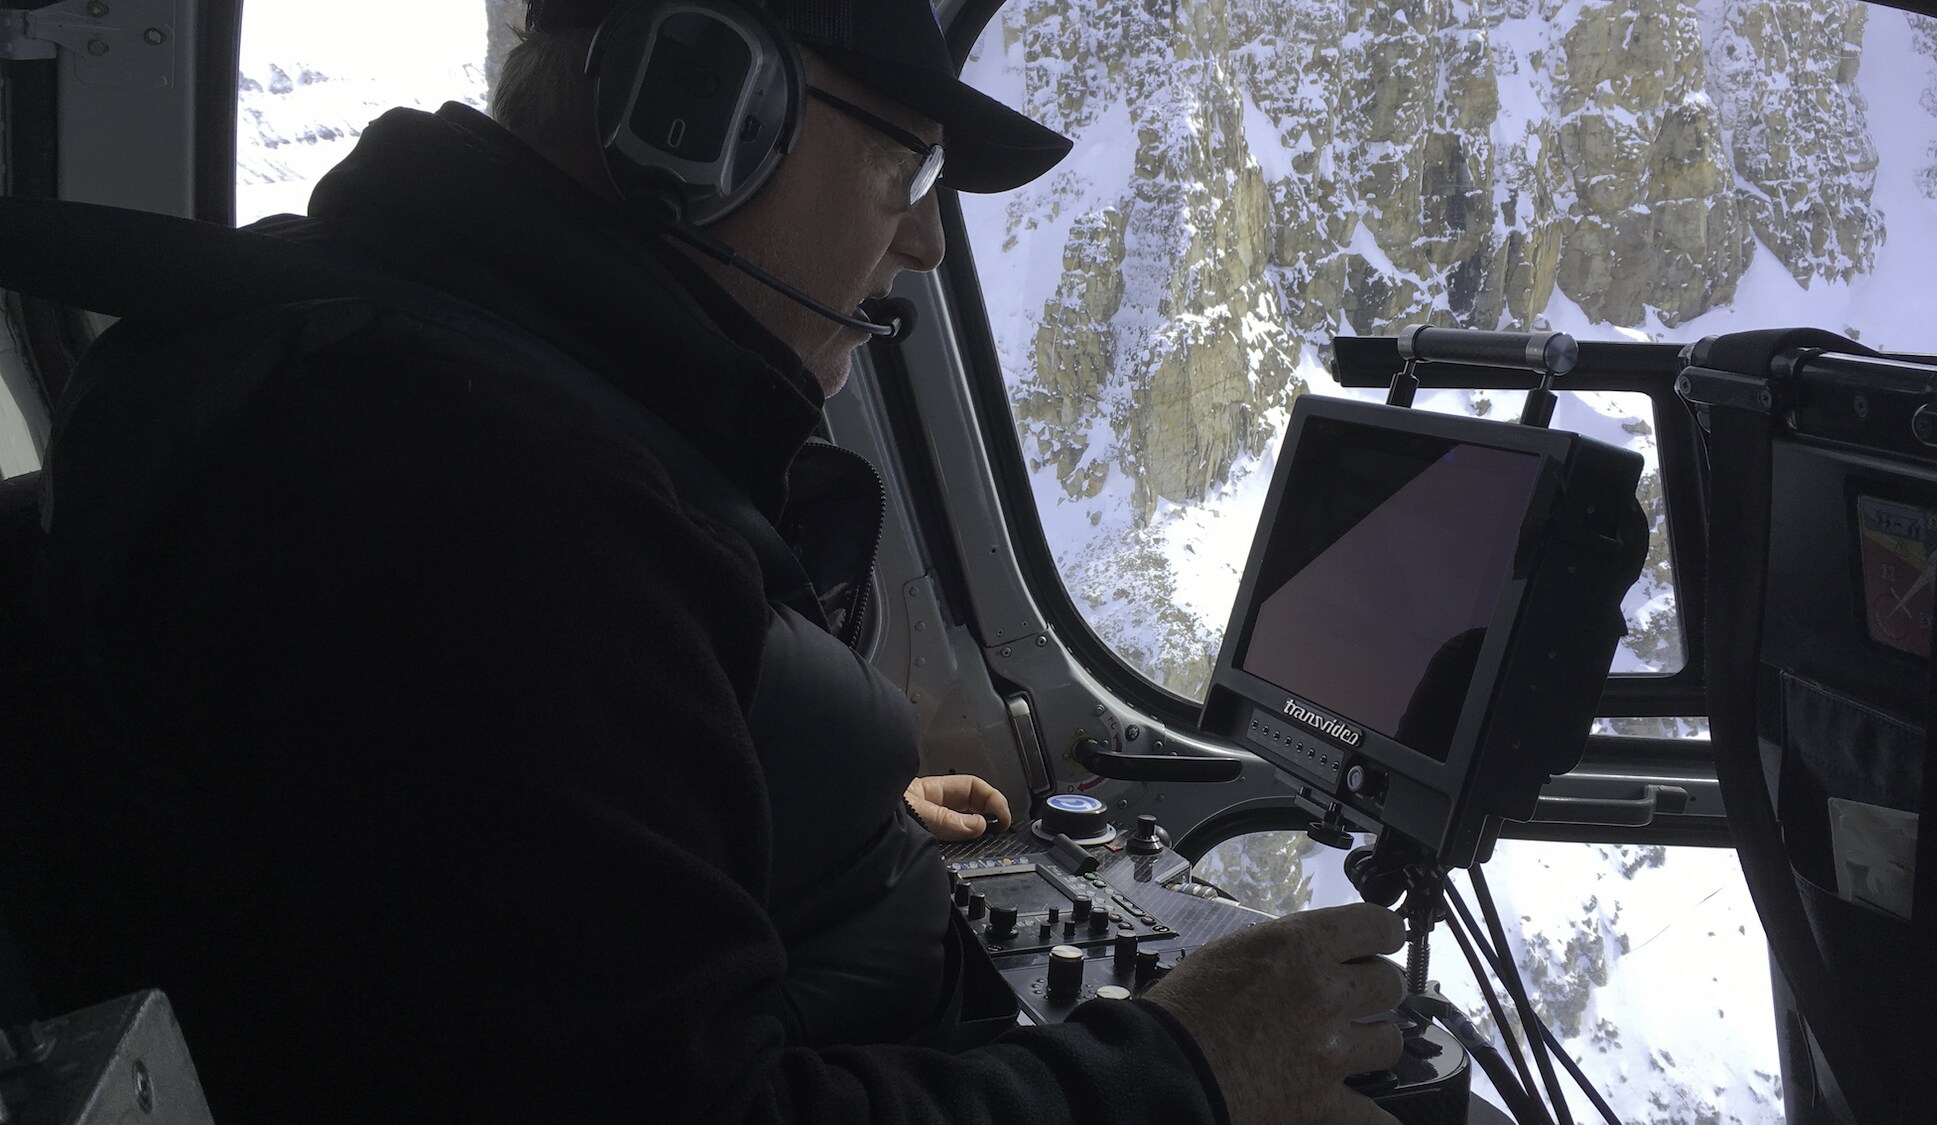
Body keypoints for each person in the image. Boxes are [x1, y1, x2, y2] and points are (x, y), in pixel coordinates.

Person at [23, 1, 1409, 1122]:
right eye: (905, 162)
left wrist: (776, 801)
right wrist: (1183, 1071)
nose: (925, 239)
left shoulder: (430, 379)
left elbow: (507, 865)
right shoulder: (497, 507)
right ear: (700, 109)